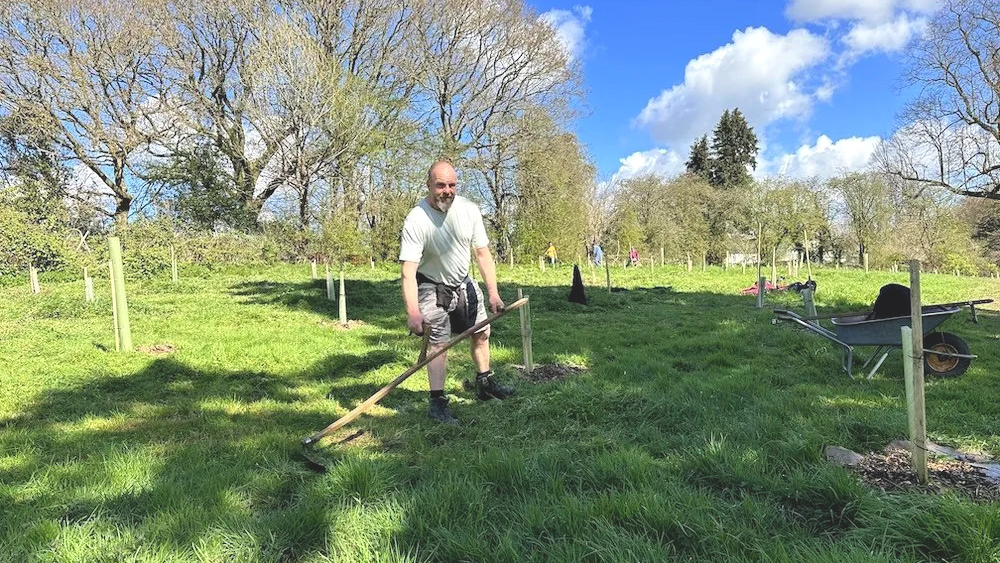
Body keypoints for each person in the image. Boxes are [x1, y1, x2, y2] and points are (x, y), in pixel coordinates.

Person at [399, 161, 515, 424]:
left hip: (463, 282)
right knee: (438, 345)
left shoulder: (469, 210)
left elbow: (482, 253)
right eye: (440, 185)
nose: (446, 190)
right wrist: (413, 312)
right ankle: (437, 404)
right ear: (429, 185)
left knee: (482, 332)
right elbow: (408, 271)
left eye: (452, 185)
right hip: (430, 285)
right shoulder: (417, 219)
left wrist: (493, 292)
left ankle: (485, 383)